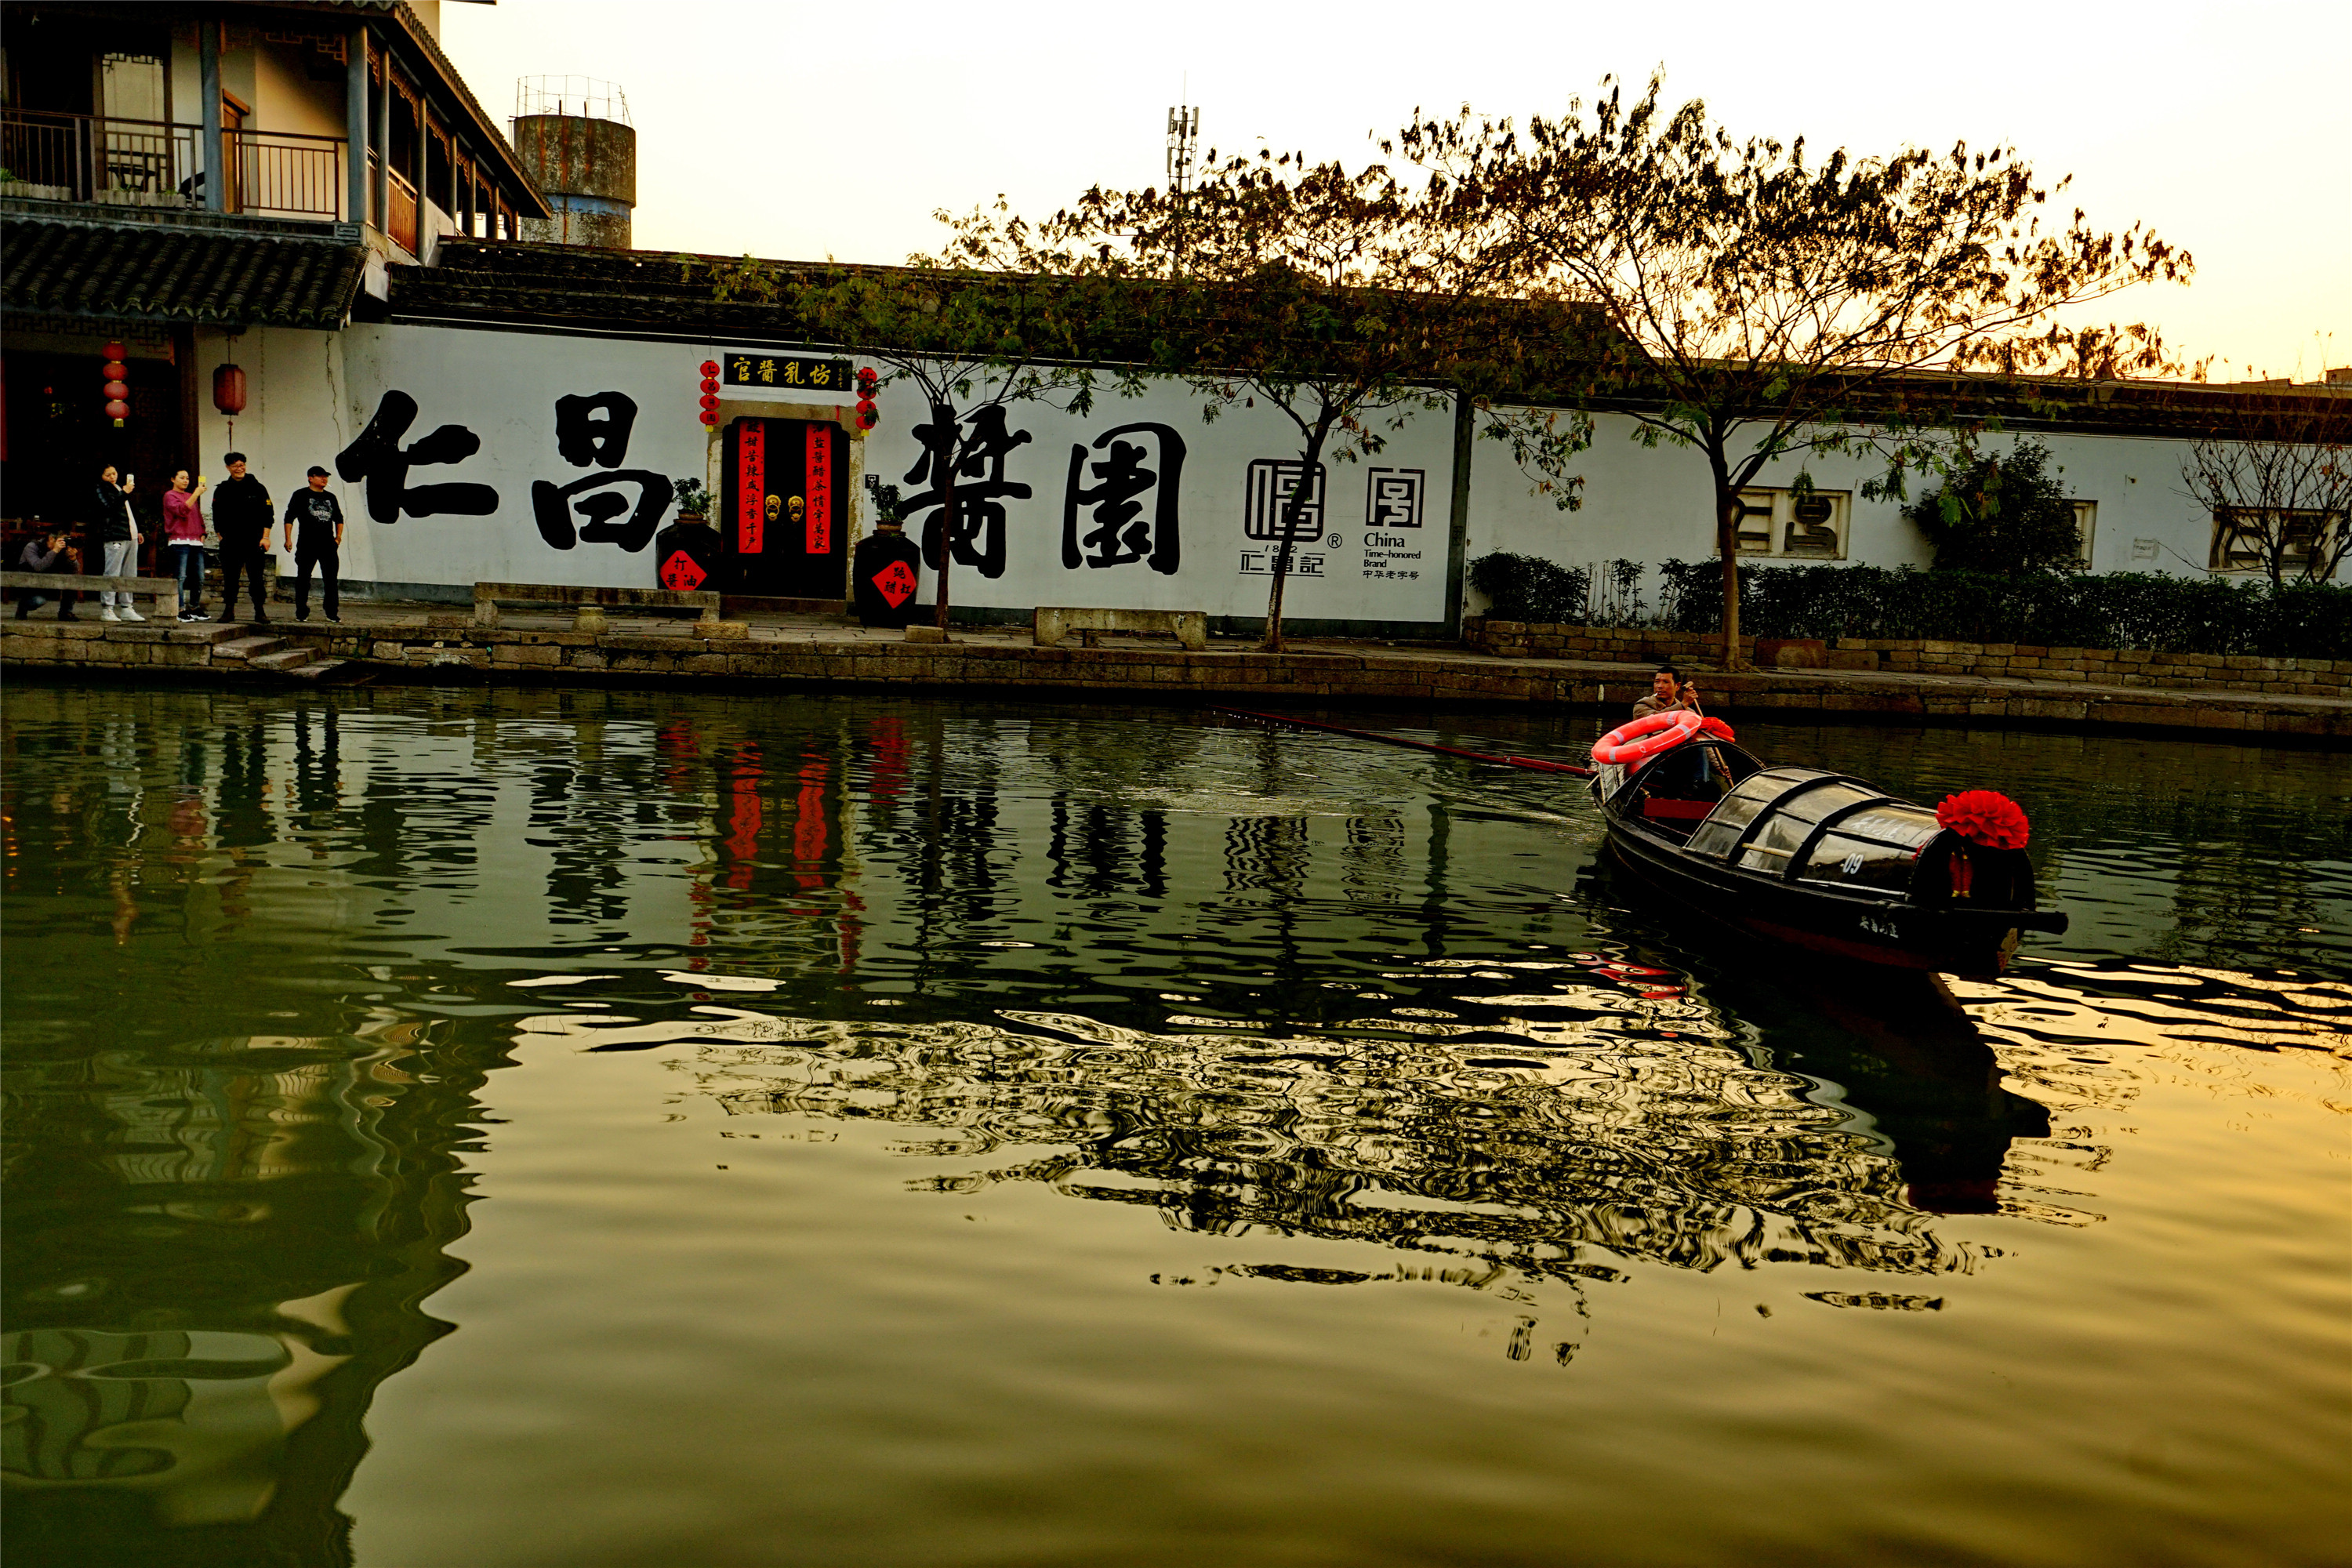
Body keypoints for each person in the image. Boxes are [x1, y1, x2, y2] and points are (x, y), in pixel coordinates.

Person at [212, 451, 273, 623]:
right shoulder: (222, 489)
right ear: (228, 468)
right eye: (235, 466)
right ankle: (229, 610)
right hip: (230, 541)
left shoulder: (258, 488)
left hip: (254, 540)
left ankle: (259, 611)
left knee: (256, 578)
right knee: (230, 578)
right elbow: (217, 515)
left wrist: (265, 537)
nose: (239, 468)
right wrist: (221, 537)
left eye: (241, 465)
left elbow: (268, 514)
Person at [282, 466, 345, 622]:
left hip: (328, 544)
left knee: (331, 579)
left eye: (326, 477)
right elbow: (289, 517)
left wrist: (338, 538)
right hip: (307, 543)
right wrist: (288, 538)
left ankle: (331, 612)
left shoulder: (331, 497)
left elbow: (339, 518)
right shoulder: (300, 495)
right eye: (320, 476)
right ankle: (301, 611)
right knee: (303, 578)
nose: (324, 479)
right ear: (310, 478)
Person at [92, 464, 143, 622]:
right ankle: (107, 608)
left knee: (130, 573)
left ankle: (127, 607)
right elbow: (109, 508)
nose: (112, 477)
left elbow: (128, 512)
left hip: (130, 534)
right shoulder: (101, 489)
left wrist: (137, 531)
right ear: (101, 476)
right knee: (112, 572)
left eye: (114, 473)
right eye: (108, 475)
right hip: (115, 535)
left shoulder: (119, 488)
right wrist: (124, 493)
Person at [162, 469, 211, 622]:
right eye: (182, 478)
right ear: (173, 479)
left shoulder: (191, 496)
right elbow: (181, 511)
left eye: (188, 478)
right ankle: (180, 608)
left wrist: (202, 532)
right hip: (179, 540)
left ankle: (195, 608)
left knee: (199, 576)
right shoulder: (170, 495)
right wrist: (196, 494)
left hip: (195, 539)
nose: (185, 481)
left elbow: (197, 516)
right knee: (180, 576)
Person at [13, 531, 82, 619]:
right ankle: (22, 607)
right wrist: (54, 551)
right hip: (29, 586)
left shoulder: (62, 551)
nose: (64, 543)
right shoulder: (32, 547)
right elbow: (38, 567)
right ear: (51, 538)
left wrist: (72, 559)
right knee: (39, 601)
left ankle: (66, 612)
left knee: (71, 580)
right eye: (62, 540)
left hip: (48, 584)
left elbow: (74, 572)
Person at [1632, 665, 1703, 720]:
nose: (1660, 686)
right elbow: (1654, 720)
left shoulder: (1688, 712)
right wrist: (1684, 704)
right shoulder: (1642, 705)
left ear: (1677, 686)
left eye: (1666, 682)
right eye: (1657, 682)